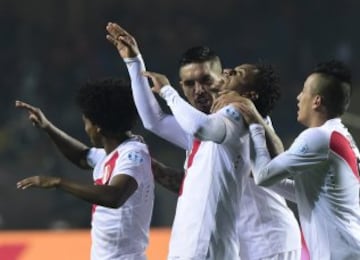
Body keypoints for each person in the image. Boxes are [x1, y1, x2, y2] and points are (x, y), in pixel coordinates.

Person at [106, 22, 300, 259]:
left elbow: (275, 153)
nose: (198, 90)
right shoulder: (206, 126)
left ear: (221, 79)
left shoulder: (242, 115)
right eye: (189, 84)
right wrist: (134, 62)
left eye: (206, 81)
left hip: (267, 240)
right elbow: (154, 121)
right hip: (236, 242)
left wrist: (168, 92)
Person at [16, 78, 154, 260]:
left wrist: (59, 182)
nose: (86, 128)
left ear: (97, 127)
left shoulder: (133, 156)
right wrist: (48, 127)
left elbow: (114, 196)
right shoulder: (113, 153)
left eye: (86, 122)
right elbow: (82, 156)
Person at [239, 60, 360, 259]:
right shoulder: (342, 137)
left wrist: (255, 124)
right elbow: (305, 193)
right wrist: (251, 172)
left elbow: (263, 176)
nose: (298, 97)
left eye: (304, 91)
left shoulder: (318, 138)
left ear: (316, 101)